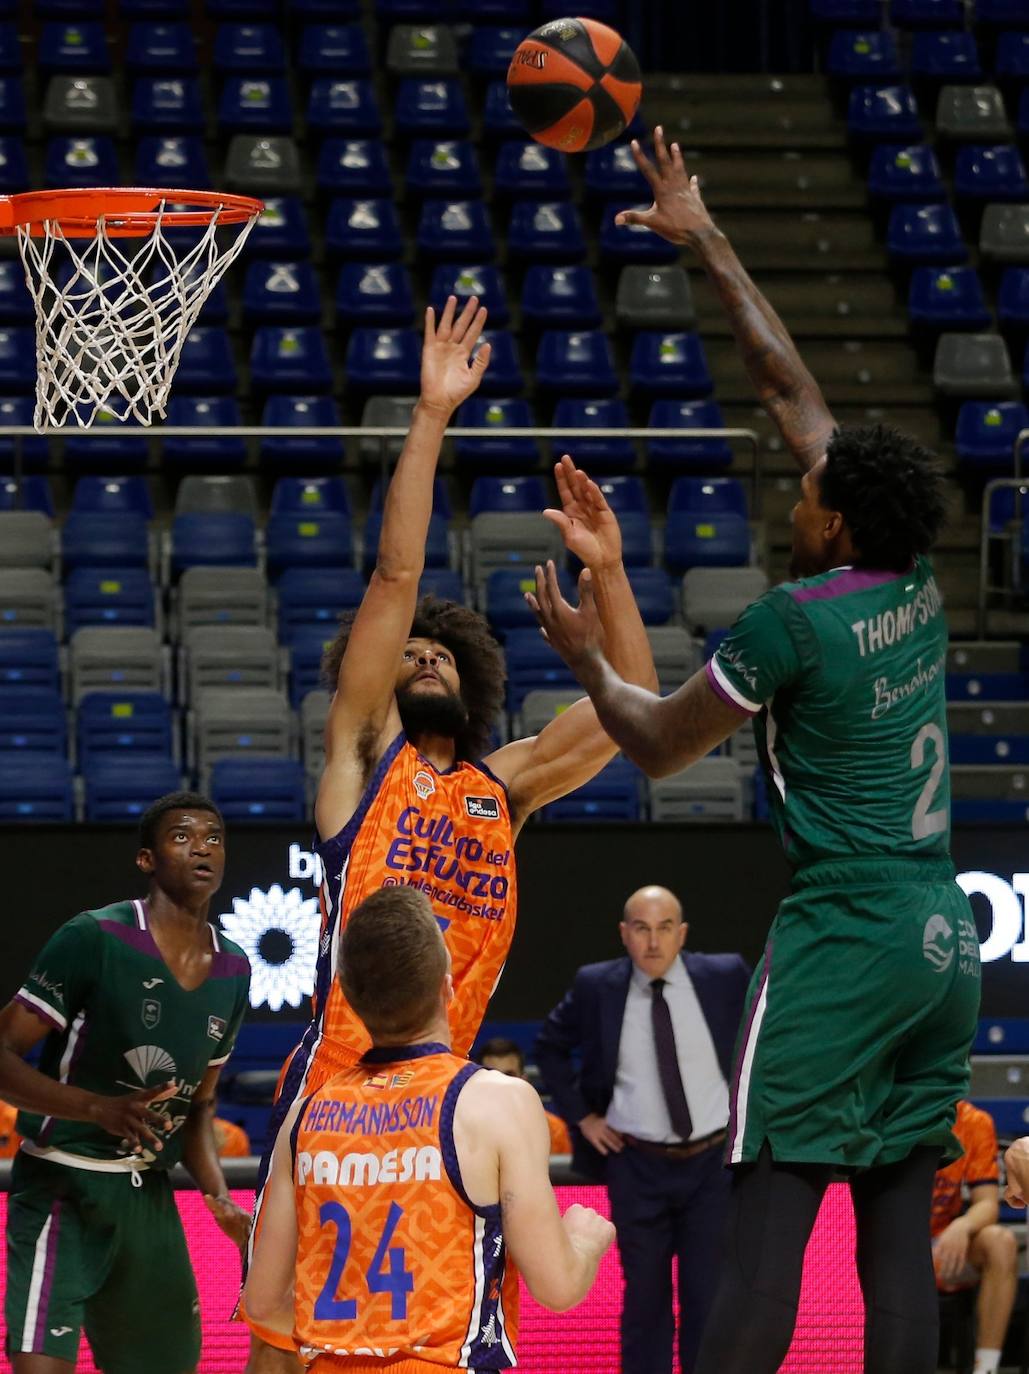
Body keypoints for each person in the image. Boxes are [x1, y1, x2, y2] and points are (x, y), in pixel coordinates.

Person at [529, 127, 982, 1374]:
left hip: (843, 935)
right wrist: (706, 235)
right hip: (943, 937)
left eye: (807, 494)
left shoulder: (796, 622)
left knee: (767, 1230)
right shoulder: (920, 582)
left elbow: (662, 749)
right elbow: (791, 392)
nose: (795, 492)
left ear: (834, 521)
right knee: (893, 1235)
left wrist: (584, 656)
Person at [244, 294, 655, 1371]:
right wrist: (431, 417)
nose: (424, 658)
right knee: (285, 1340)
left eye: (444, 656)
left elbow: (637, 711)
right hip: (335, 1088)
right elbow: (394, 576)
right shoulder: (360, 762)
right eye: (409, 654)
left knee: (448, 1334)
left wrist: (608, 573)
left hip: (444, 1093)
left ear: (474, 686)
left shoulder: (501, 788)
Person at [244, 885, 616, 1372]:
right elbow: (558, 1286)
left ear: (352, 1002)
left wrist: (361, 1333)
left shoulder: (306, 1113)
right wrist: (585, 1240)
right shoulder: (498, 1100)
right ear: (447, 986)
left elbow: (263, 1303)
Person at [0, 791, 252, 1374]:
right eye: (182, 836)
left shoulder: (235, 968)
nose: (201, 849)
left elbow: (202, 1107)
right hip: (63, 1184)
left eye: (213, 838)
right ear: (147, 859)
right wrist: (97, 1108)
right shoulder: (94, 937)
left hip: (149, 1200)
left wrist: (221, 1198)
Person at [535, 885, 749, 1374]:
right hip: (636, 1166)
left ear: (683, 933)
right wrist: (584, 1119)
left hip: (711, 1166)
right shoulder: (596, 987)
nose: (654, 941)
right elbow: (548, 1047)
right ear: (624, 934)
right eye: (642, 928)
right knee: (645, 1300)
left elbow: (769, 1039)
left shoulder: (724, 976)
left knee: (707, 1298)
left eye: (665, 928)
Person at [932, 1101, 1016, 1374]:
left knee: (1000, 1242)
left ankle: (986, 1369)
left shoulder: (973, 1122)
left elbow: (988, 1204)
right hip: (889, 1248)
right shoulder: (889, 1109)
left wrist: (963, 1224)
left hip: (942, 1251)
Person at [475, 1036, 572, 1155]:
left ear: (524, 1080)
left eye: (509, 1075)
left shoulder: (553, 1129)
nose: (501, 1083)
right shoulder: (462, 1129)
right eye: (492, 1075)